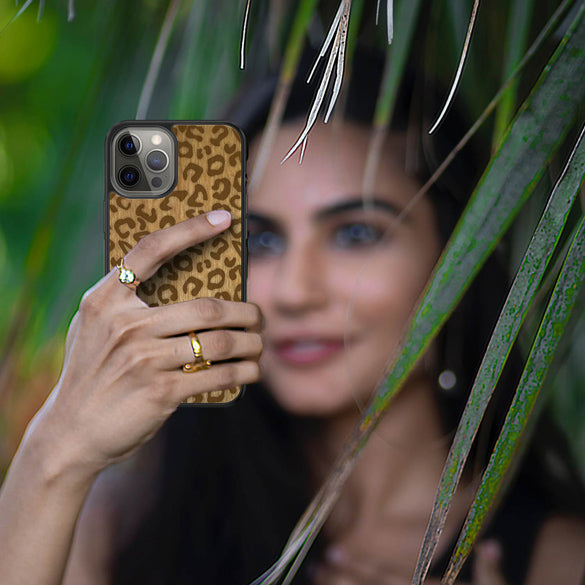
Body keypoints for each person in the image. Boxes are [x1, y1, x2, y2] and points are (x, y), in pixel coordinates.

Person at [1, 43, 585, 585]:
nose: (296, 293)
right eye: (260, 241)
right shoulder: (110, 526)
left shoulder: (557, 560)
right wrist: (54, 452)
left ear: (462, 256)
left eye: (356, 233)